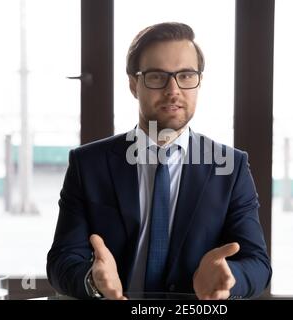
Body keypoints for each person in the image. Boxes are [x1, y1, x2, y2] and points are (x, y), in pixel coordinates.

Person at [47, 22, 271, 300]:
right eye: (157, 76)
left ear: (199, 81)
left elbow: (258, 263)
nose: (173, 90)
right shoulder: (88, 164)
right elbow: (62, 260)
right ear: (133, 84)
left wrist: (229, 279)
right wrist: (93, 282)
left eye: (186, 75)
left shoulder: (231, 166)